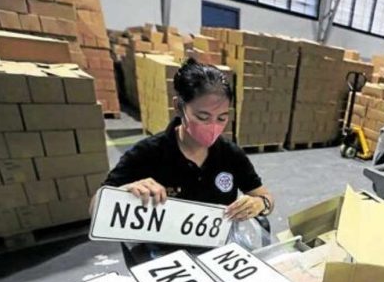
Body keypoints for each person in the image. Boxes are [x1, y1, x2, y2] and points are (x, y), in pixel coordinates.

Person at [91, 59, 273, 221]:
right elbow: (95, 208)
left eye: (221, 118)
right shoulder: (148, 153)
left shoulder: (230, 154)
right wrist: (125, 191)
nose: (213, 126)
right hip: (164, 251)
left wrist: (260, 204)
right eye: (203, 117)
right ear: (179, 106)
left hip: (217, 249)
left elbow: (265, 197)